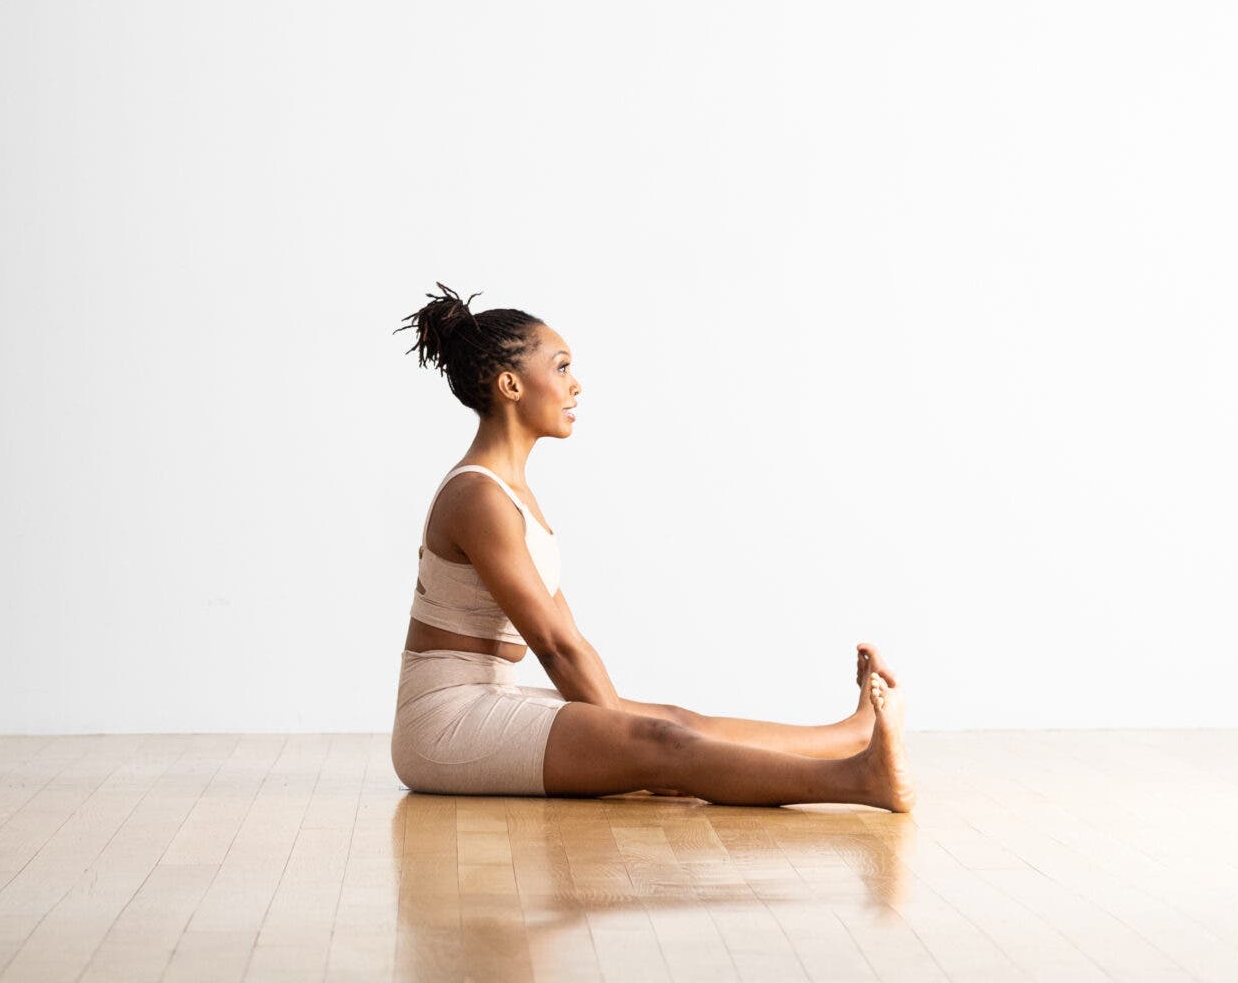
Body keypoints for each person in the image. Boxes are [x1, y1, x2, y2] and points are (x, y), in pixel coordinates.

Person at [389, 282, 915, 810]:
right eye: (562, 367)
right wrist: (632, 745)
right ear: (511, 385)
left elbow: (567, 635)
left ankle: (850, 736)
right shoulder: (479, 497)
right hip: (444, 724)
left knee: (672, 722)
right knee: (659, 744)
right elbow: (554, 646)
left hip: (485, 699)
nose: (577, 386)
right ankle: (859, 782)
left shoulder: (506, 493)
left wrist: (625, 728)